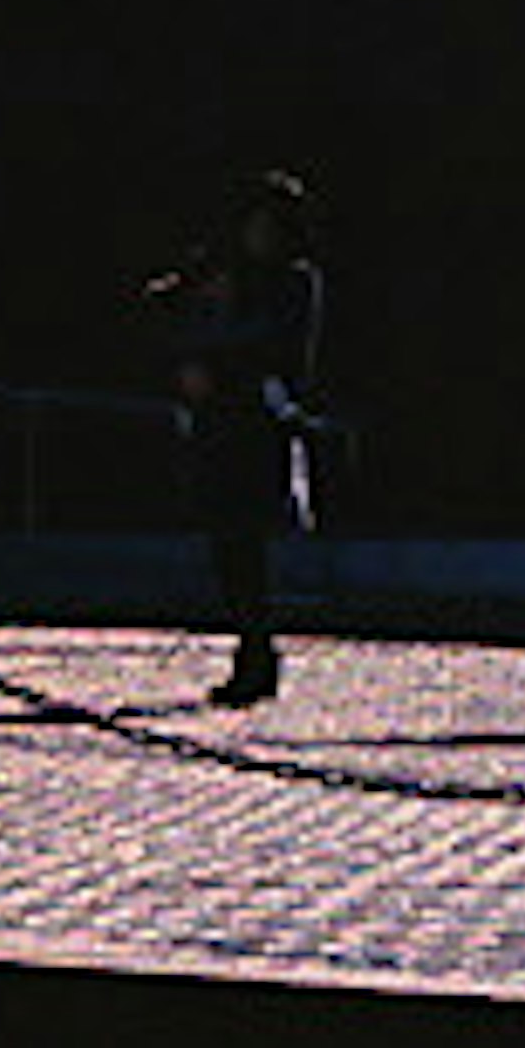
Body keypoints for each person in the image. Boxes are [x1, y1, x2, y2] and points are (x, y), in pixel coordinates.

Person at [154, 171, 322, 709]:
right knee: (227, 543)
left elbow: (278, 353)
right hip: (219, 424)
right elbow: (168, 312)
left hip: (255, 425)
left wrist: (218, 361)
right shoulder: (227, 273)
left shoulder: (292, 282)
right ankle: (251, 648)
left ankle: (257, 651)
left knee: (247, 541)